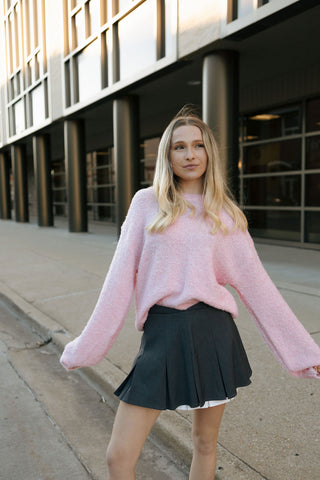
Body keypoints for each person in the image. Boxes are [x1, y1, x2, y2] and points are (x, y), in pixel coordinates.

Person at [60, 107, 320, 480]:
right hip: (161, 335)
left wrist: (304, 354)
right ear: (167, 155)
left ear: (209, 152)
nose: (190, 154)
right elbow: (118, 281)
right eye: (179, 147)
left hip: (212, 334)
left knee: (204, 443)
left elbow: (258, 287)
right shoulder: (146, 203)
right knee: (119, 457)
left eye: (198, 145)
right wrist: (87, 347)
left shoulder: (225, 214)